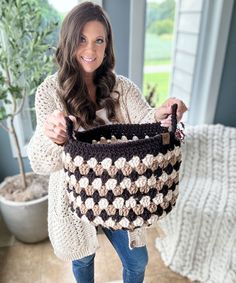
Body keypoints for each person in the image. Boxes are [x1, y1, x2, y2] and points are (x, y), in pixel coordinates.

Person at [27, 2, 187, 283]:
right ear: (68, 42)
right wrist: (53, 137)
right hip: (74, 198)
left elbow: (144, 120)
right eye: (82, 40)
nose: (90, 50)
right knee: (83, 259)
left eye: (98, 40)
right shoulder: (49, 93)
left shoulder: (121, 87)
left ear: (107, 44)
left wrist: (160, 114)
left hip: (123, 191)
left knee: (137, 261)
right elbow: (40, 161)